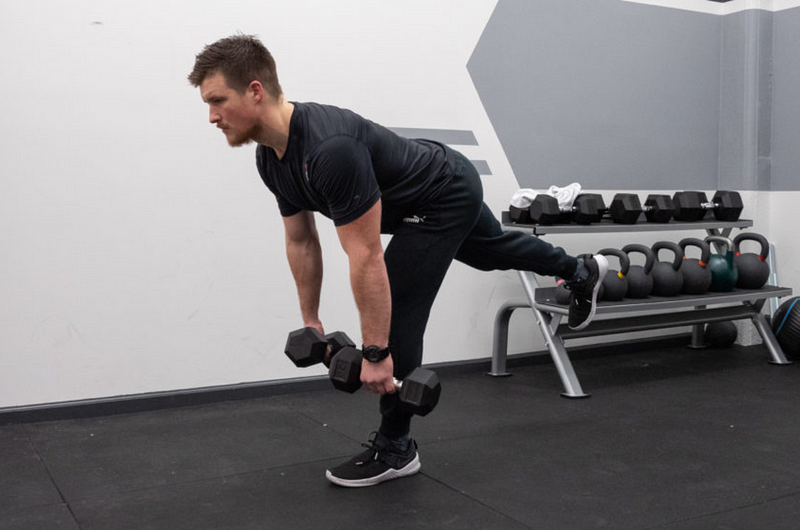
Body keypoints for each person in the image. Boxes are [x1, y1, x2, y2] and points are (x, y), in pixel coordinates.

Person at [188, 34, 608, 488]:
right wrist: (312, 320)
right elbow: (302, 241)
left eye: (217, 101)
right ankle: (581, 270)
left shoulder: (331, 149)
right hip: (435, 180)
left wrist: (376, 353)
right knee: (492, 253)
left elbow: (366, 257)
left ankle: (396, 446)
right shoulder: (271, 159)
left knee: (398, 314)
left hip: (441, 193)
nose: (211, 116)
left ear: (254, 90)